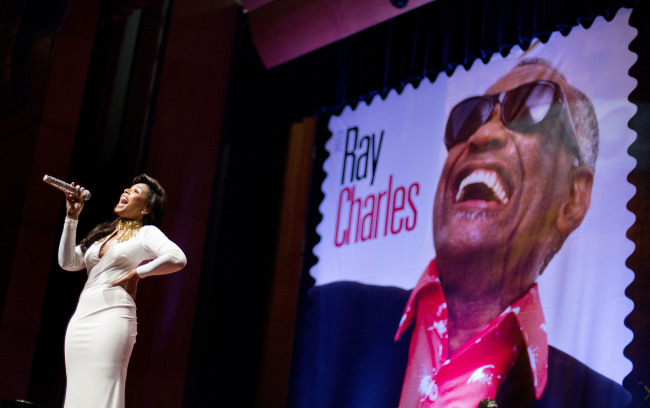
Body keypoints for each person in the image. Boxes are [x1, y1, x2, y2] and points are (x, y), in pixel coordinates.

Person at [288, 59, 631, 408]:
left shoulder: (604, 402)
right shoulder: (324, 319)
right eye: (469, 118)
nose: (481, 135)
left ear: (573, 198)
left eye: (530, 112)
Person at [58, 174, 187, 408]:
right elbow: (68, 262)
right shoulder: (102, 235)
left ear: (147, 208)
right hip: (81, 318)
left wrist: (138, 273)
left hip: (113, 316)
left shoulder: (146, 233)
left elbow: (178, 258)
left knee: (104, 388)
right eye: (127, 188)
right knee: (77, 391)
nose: (126, 192)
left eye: (136, 191)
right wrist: (72, 218)